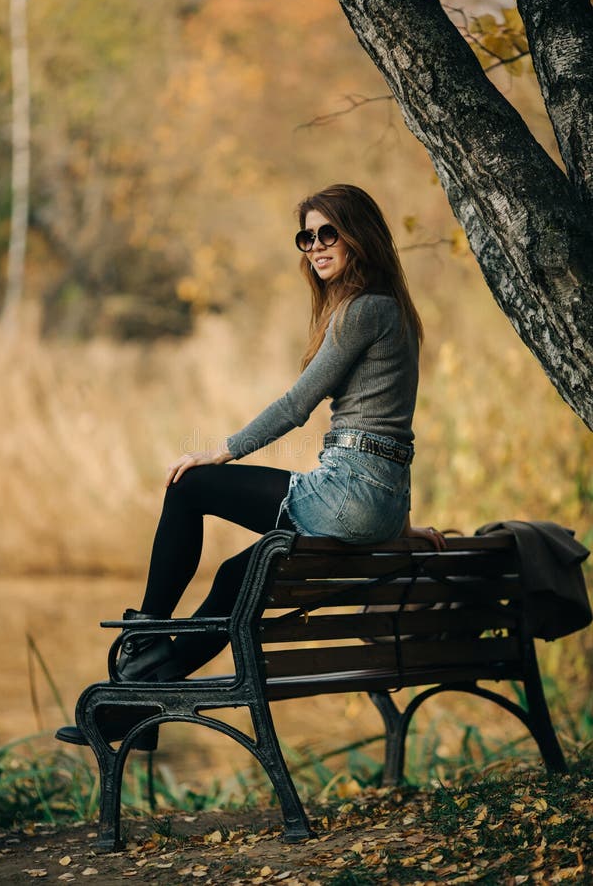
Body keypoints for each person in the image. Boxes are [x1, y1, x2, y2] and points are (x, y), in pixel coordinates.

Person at [56, 183, 444, 746]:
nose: (314, 246)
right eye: (305, 237)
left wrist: (221, 451)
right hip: (375, 501)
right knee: (234, 580)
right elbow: (391, 431)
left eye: (327, 233)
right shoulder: (396, 314)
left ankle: (142, 638)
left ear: (359, 234)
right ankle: (137, 709)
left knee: (191, 487)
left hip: (348, 494)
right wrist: (400, 523)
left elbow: (297, 404)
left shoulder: (364, 310)